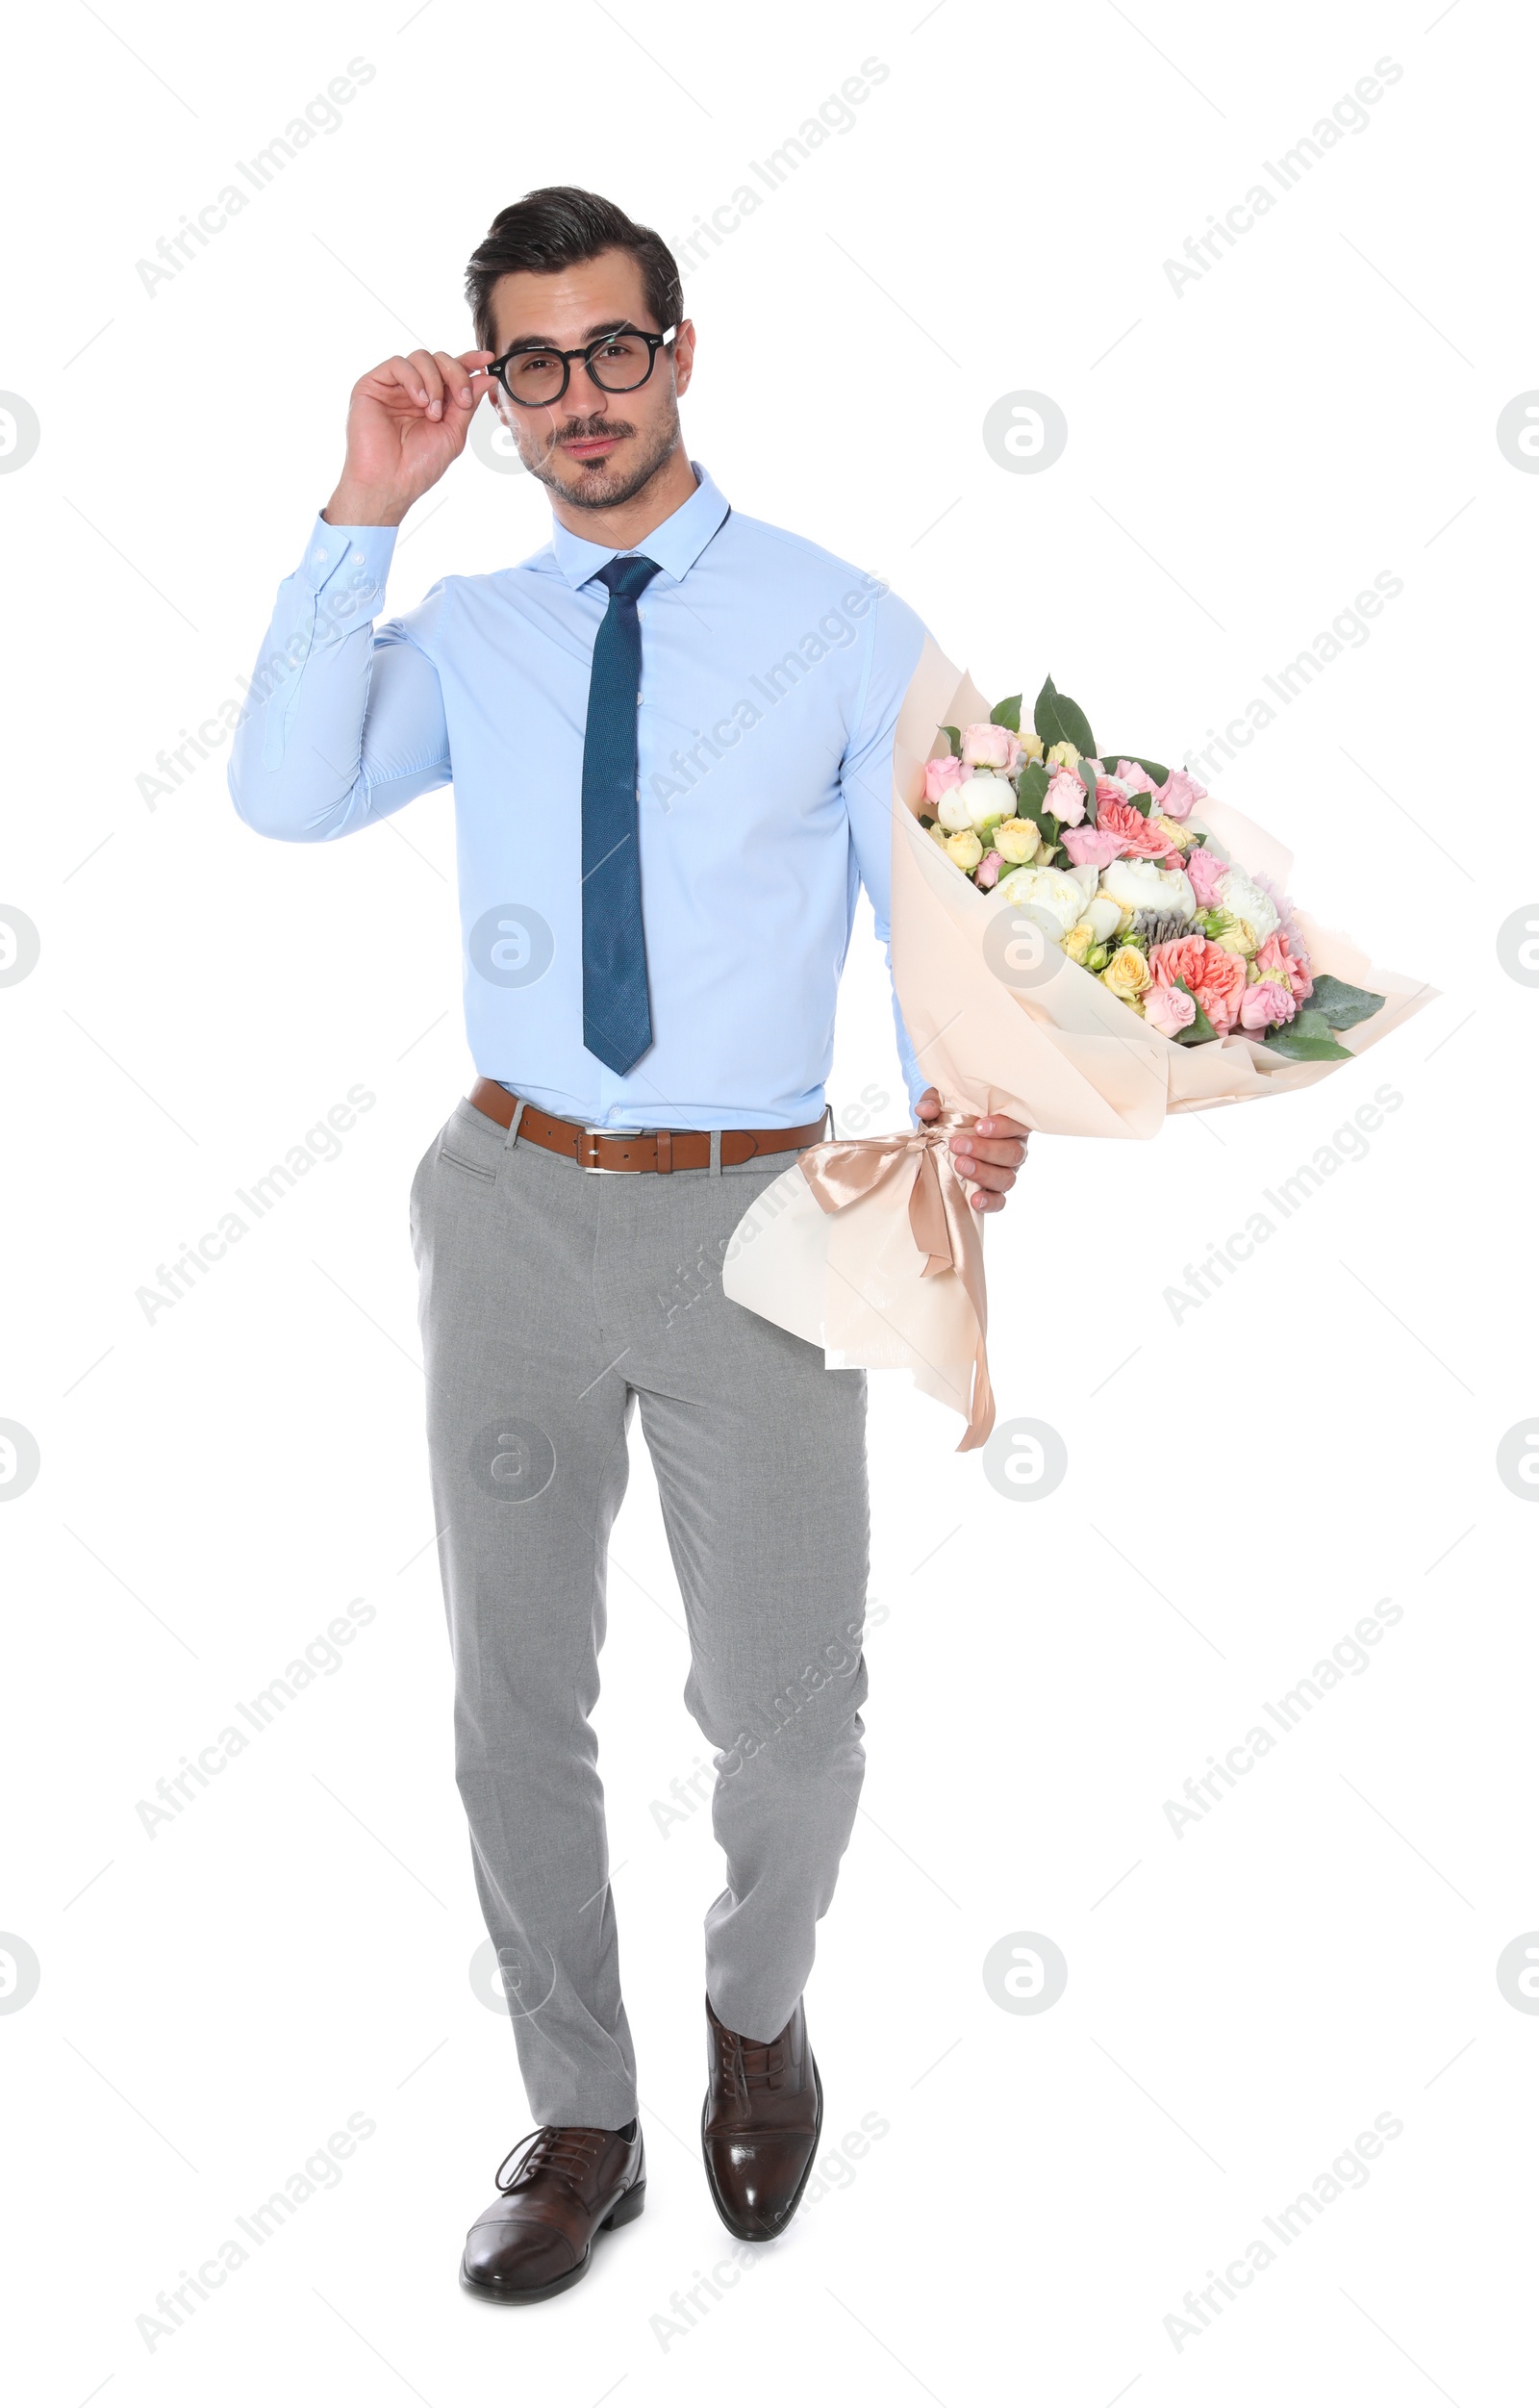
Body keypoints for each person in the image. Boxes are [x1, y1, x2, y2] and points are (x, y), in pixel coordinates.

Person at [229, 185, 1026, 2306]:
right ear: (491, 392)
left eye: (612, 347)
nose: (577, 396)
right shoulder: (473, 628)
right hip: (508, 1202)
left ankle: (753, 2018)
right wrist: (359, 514)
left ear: (681, 351)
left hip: (759, 1215)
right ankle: (579, 2109)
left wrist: (964, 1094)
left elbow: (936, 909)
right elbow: (286, 796)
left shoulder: (836, 622)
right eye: (530, 366)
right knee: (512, 1704)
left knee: (789, 1715)